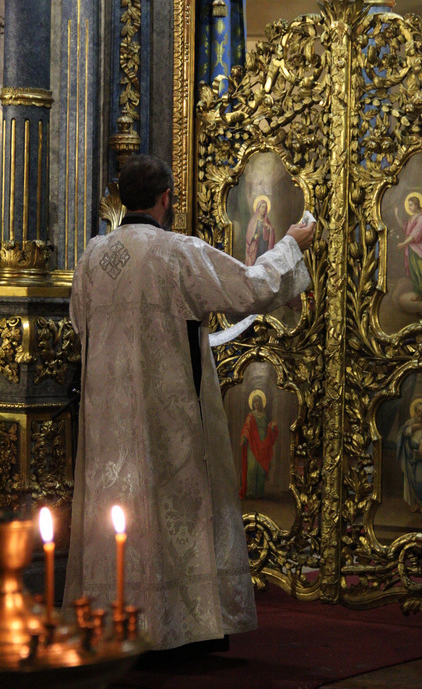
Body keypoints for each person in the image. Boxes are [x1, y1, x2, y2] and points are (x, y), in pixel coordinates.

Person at [63, 155, 315, 652]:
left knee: (115, 512)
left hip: (106, 417)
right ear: (165, 199)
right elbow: (250, 288)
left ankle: (111, 621)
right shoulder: (176, 252)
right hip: (167, 415)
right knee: (172, 510)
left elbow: (77, 321)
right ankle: (174, 627)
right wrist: (290, 244)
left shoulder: (92, 256)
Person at [396, 400, 422, 518]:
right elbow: (402, 434)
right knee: (412, 480)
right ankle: (417, 504)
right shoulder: (409, 422)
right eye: (418, 411)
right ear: (415, 411)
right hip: (410, 455)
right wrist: (414, 427)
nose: (420, 414)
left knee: (420, 479)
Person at [239, 392, 278, 499]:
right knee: (252, 468)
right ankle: (251, 492)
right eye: (255, 402)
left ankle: (259, 492)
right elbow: (246, 428)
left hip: (263, 444)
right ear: (252, 403)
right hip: (252, 444)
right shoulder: (250, 416)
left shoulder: (264, 416)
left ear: (261, 403)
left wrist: (272, 427)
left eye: (258, 402)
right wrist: (244, 438)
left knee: (261, 469)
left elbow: (268, 428)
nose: (257, 404)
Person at [245, 196, 275, 265]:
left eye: (265, 208)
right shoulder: (253, 221)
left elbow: (271, 234)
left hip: (264, 247)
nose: (264, 209)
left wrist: (268, 227)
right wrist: (254, 237)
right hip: (255, 247)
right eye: (262, 207)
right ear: (258, 208)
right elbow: (248, 237)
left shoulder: (267, 221)